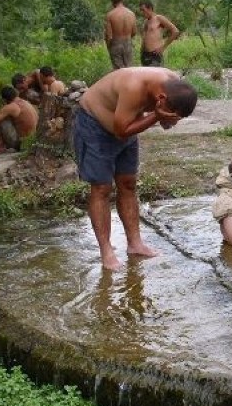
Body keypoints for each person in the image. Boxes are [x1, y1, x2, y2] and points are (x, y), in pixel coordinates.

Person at [74, 67, 198, 270]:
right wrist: (156, 117)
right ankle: (107, 251)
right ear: (161, 98)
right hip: (95, 126)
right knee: (101, 188)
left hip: (128, 122)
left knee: (128, 183)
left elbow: (129, 126)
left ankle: (135, 244)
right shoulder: (134, 86)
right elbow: (121, 130)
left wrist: (166, 117)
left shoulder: (174, 84)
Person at [0, 86, 39, 158]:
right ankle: (1, 145)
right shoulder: (25, 102)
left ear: (4, 99)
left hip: (22, 144)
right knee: (7, 118)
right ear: (16, 94)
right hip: (31, 141)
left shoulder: (12, 107)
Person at [139, 0, 180, 67]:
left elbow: (175, 31)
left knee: (156, 76)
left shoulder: (159, 18)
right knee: (147, 77)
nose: (142, 12)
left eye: (143, 10)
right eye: (141, 10)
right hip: (145, 55)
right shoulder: (146, 22)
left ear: (150, 8)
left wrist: (163, 47)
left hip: (155, 55)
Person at [104, 0, 137, 69]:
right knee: (129, 69)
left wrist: (108, 46)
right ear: (122, 0)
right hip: (128, 43)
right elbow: (134, 32)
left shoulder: (110, 15)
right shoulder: (131, 14)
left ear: (112, 2)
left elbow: (109, 35)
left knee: (118, 70)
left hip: (116, 43)